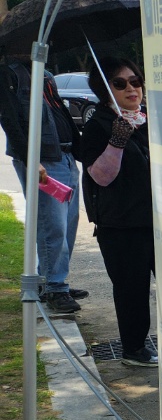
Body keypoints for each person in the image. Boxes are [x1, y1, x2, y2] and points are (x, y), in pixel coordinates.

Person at [76, 58, 158, 366]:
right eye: (120, 83)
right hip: (121, 224)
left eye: (135, 81)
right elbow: (100, 176)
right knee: (132, 289)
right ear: (104, 89)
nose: (131, 88)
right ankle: (135, 349)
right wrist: (117, 141)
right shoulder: (99, 125)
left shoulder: (145, 119)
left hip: (157, 219)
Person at [2, 56, 84, 314]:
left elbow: (59, 112)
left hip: (65, 156)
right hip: (43, 161)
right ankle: (55, 287)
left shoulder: (45, 75)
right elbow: (10, 120)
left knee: (69, 223)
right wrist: (31, 159)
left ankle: (51, 280)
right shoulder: (10, 74)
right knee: (53, 226)